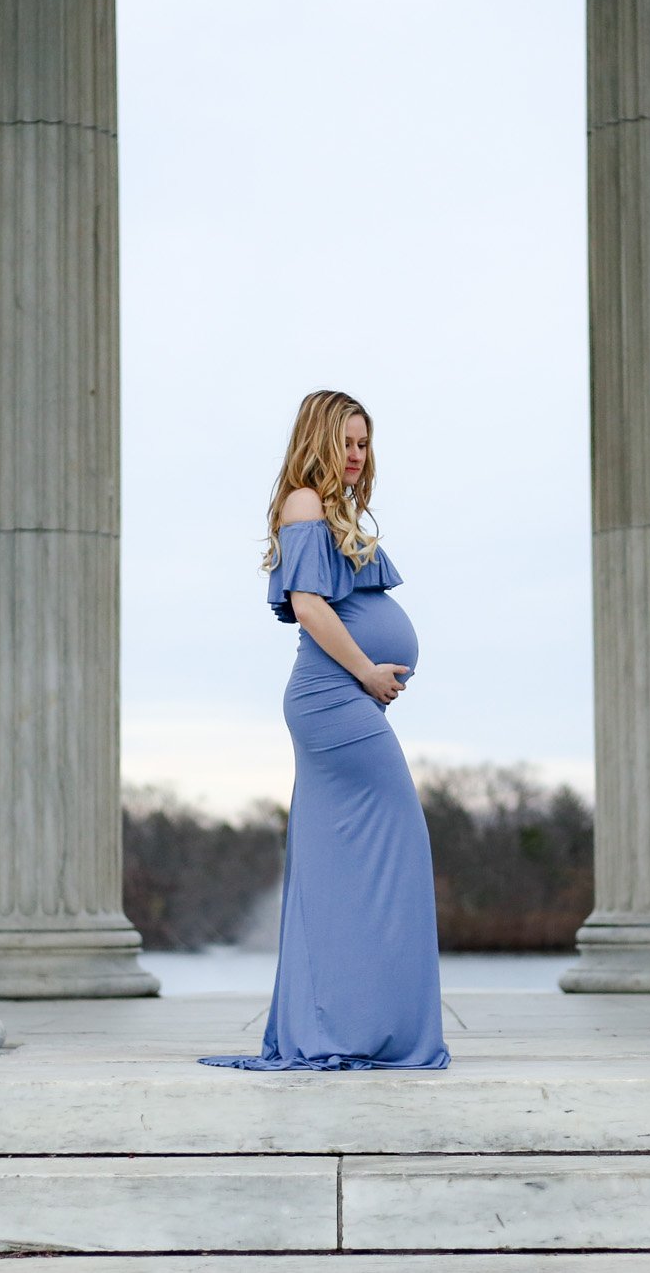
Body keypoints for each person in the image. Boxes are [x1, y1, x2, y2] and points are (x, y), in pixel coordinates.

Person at [197, 389, 452, 1071]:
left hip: (347, 702)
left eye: (364, 443)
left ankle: (355, 1022)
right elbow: (308, 605)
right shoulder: (305, 503)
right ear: (318, 440)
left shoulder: (338, 513)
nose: (357, 455)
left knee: (345, 868)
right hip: (333, 699)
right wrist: (367, 671)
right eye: (346, 441)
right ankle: (361, 1025)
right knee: (394, 849)